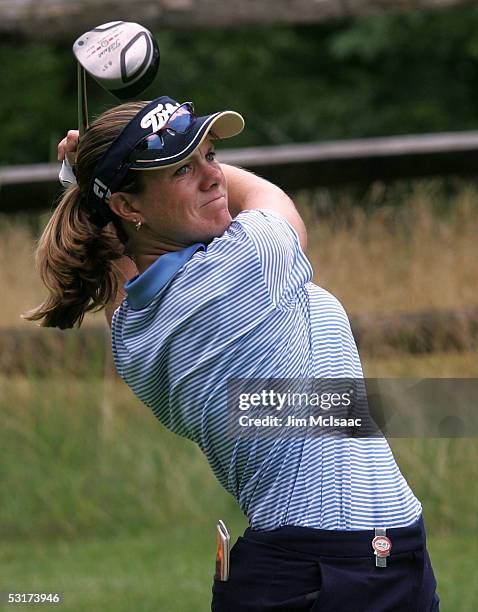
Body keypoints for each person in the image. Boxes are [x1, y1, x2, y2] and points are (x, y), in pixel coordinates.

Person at [25, 96, 439, 611]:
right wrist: (90, 179)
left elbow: (118, 262)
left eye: (210, 154)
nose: (212, 176)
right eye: (182, 170)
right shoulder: (240, 265)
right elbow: (265, 195)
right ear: (129, 208)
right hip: (333, 571)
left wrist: (94, 182)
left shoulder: (131, 329)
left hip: (343, 563)